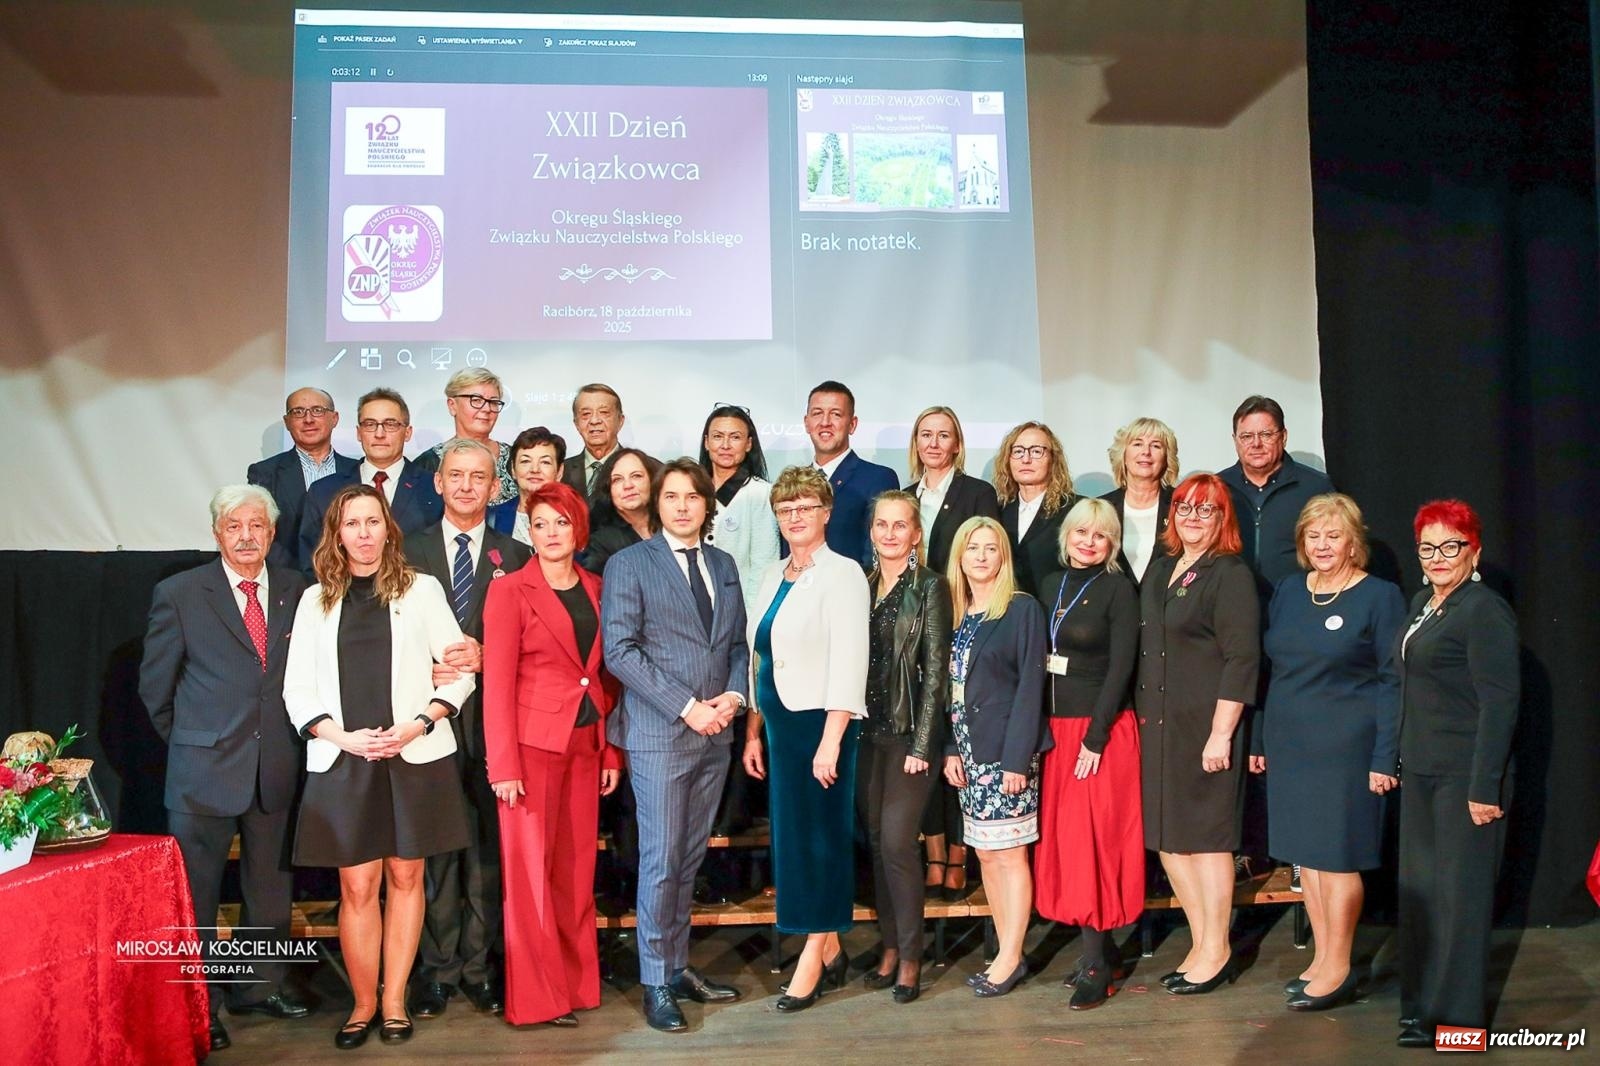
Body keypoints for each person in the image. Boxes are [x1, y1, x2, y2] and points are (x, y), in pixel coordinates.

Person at [283, 485, 477, 1048]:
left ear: (388, 529)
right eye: (352, 523)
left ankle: (395, 1000)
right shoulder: (315, 598)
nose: (363, 533)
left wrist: (420, 722)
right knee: (358, 885)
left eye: (373, 521)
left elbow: (460, 670)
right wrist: (342, 737)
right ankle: (362, 1003)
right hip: (344, 760)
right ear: (336, 533)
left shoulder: (422, 590)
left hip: (413, 755)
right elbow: (297, 689)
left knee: (407, 876)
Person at [138, 485, 313, 1051]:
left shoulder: (296, 591)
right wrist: (196, 745)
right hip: (203, 775)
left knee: (269, 892)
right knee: (197, 899)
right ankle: (199, 1006)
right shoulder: (181, 593)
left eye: (256, 526)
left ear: (272, 532)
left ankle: (257, 989)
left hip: (276, 769)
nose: (246, 536)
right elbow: (155, 691)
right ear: (217, 533)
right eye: (233, 525)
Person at [600, 458, 751, 1033]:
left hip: (717, 733)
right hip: (663, 733)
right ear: (657, 505)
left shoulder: (724, 563)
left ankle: (678, 965)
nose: (683, 505)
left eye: (693, 496)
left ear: (706, 505)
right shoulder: (629, 564)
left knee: (689, 858)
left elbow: (736, 643)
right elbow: (621, 652)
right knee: (662, 861)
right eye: (672, 497)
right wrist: (689, 707)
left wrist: (733, 698)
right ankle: (656, 980)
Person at [482, 482, 623, 1027]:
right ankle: (538, 1000)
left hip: (585, 746)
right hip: (529, 751)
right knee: (530, 881)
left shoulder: (597, 585)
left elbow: (605, 676)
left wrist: (609, 749)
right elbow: (496, 684)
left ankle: (577, 987)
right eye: (539, 524)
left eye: (560, 522)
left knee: (574, 872)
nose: (550, 533)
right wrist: (504, 766)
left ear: (577, 527)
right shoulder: (510, 590)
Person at [1259, 493, 1405, 1012]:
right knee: (1310, 861)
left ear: (1353, 543)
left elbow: (1394, 681)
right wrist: (1260, 738)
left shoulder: (1379, 596)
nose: (1322, 545)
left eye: (1333, 536)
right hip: (1291, 746)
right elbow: (1274, 669)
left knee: (1339, 860)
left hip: (1348, 750)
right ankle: (1322, 958)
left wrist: (1385, 757)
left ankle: (1340, 968)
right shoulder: (1290, 590)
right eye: (1313, 536)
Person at [404, 439, 533, 1020]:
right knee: (434, 852)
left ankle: (479, 970)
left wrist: (491, 652)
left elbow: (533, 637)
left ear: (495, 487)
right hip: (422, 721)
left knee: (485, 852)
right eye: (455, 475)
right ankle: (436, 972)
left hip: (494, 725)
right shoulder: (404, 550)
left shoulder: (518, 553)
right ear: (437, 482)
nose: (465, 486)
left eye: (477, 477)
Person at [741, 467, 870, 1013]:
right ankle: (832, 945)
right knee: (795, 841)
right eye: (786, 508)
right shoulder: (774, 573)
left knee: (820, 841)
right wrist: (754, 727)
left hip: (820, 726)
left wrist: (831, 739)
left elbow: (850, 660)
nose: (795, 516)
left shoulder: (843, 574)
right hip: (780, 726)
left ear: (825, 512)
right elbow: (761, 655)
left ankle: (811, 958)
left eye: (805, 507)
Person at [1394, 500, 1518, 1047]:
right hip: (1422, 773)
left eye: (1452, 546)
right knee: (1424, 896)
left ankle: (1459, 1025)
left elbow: (1500, 703)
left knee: (1460, 903)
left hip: (1465, 780)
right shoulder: (1426, 602)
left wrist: (1483, 786)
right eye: (1428, 546)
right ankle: (1422, 1008)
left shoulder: (1483, 610)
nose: (1439, 556)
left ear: (1475, 551)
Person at [1137, 473, 1260, 996]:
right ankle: (1200, 940)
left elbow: (1241, 659)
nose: (1192, 517)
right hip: (1158, 728)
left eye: (1205, 510)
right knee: (1169, 842)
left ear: (1222, 519)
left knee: (1207, 843)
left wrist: (1221, 734)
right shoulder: (1161, 570)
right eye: (1185, 508)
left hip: (1205, 729)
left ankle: (1218, 949)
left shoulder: (1228, 574)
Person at [1034, 498, 1144, 1010]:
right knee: (1070, 845)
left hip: (1098, 736)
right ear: (1068, 535)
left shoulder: (1119, 589)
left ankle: (1097, 963)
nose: (1089, 542)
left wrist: (1095, 739)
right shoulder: (1052, 583)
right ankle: (1101, 951)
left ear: (1112, 543)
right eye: (1082, 532)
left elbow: (1122, 668)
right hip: (1058, 733)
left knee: (1095, 846)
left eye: (1100, 536)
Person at [941, 516, 1049, 998]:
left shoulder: (1021, 609)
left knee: (1010, 855)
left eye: (991, 548)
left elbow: (1031, 687)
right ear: (959, 558)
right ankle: (1007, 947)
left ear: (1003, 557)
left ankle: (1010, 955)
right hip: (967, 749)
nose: (981, 556)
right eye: (973, 548)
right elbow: (947, 690)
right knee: (985, 853)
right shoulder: (956, 613)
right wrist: (948, 747)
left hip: (1007, 753)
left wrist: (1015, 760)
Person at [853, 490, 951, 1003]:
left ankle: (911, 956)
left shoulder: (930, 587)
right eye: (881, 525)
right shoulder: (860, 584)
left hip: (910, 737)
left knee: (896, 844)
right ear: (872, 532)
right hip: (865, 734)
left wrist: (923, 741)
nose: (890, 534)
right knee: (874, 842)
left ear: (916, 534)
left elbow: (936, 671)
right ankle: (889, 946)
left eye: (900, 525)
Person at [298, 388, 443, 570]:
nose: (379, 434)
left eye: (390, 424)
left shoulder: (433, 488)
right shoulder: (324, 491)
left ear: (407, 432)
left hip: (414, 593)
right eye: (370, 424)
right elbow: (311, 561)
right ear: (359, 433)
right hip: (343, 594)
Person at [1217, 396, 1334, 600]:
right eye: (1246, 436)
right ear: (1234, 439)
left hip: (1298, 606)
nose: (1256, 444)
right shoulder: (1218, 487)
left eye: (1266, 434)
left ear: (1284, 436)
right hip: (1232, 606)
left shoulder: (1316, 487)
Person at [248, 386, 358, 569]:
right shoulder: (265, 472)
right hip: (289, 579)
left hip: (350, 576)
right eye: (298, 412)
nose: (308, 419)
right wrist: (296, 577)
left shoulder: (357, 470)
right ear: (287, 421)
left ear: (334, 418)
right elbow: (260, 530)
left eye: (317, 411)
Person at [803, 380, 898, 569]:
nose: (825, 422)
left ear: (852, 424)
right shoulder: (793, 484)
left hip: (850, 593)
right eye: (817, 414)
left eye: (836, 414)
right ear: (807, 423)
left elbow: (876, 554)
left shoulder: (878, 478)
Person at [698, 404, 780, 615]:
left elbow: (764, 567)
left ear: (748, 444)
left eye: (735, 437)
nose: (725, 445)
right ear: (706, 442)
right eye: (717, 436)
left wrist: (751, 623)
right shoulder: (693, 489)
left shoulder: (760, 493)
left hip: (738, 614)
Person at [905, 405, 1002, 575]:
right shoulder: (905, 497)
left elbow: (988, 556)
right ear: (916, 443)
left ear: (957, 445)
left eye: (943, 436)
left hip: (958, 596)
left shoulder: (979, 493)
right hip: (911, 597)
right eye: (926, 435)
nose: (933, 444)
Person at [995, 421, 1078, 600]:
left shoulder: (1075, 510)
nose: (1026, 459)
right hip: (1007, 617)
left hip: (1056, 617)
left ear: (1053, 459)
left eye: (1036, 451)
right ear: (1007, 460)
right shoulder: (997, 511)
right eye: (1018, 451)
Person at [414, 368, 517, 508]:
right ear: (452, 406)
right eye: (476, 400)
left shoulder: (516, 459)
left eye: (493, 402)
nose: (487, 409)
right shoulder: (427, 465)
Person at [1100, 417, 1179, 587]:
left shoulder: (1181, 506)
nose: (1146, 452)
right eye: (1137, 444)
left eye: (1156, 445)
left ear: (1167, 458)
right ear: (1123, 455)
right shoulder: (1103, 508)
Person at [581, 448, 662, 574]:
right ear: (608, 490)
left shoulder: (671, 527)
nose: (628, 485)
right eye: (617, 480)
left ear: (652, 481)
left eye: (636, 476)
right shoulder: (600, 542)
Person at [560, 384, 626, 500]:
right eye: (586, 414)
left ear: (620, 421)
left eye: (604, 412)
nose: (594, 421)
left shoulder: (647, 470)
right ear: (576, 424)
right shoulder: (560, 472)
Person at [507, 426, 568, 548]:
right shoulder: (492, 517)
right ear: (513, 469)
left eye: (545, 462)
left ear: (559, 471)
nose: (535, 469)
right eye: (525, 461)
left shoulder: (572, 517)